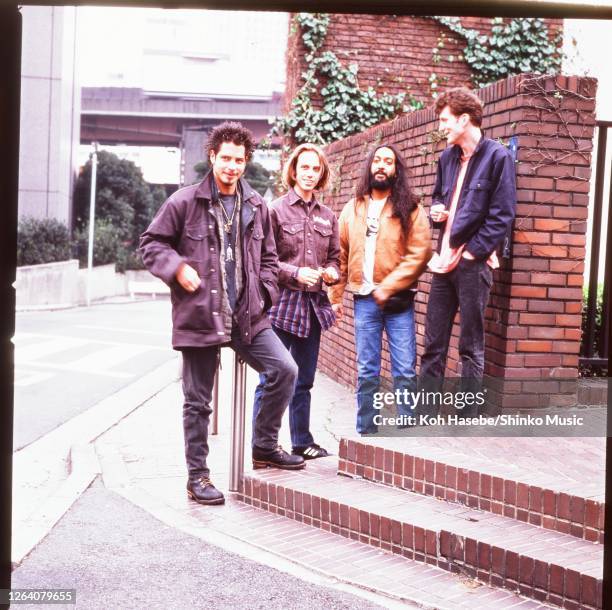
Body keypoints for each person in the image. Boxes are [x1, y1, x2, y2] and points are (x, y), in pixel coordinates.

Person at [140, 121, 304, 507]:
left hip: (248, 315)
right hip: (200, 315)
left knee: (285, 369)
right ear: (212, 156)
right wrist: (177, 268)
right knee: (198, 401)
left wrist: (265, 291)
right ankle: (197, 476)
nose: (232, 166)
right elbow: (151, 244)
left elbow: (269, 258)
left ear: (247, 162)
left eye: (239, 160)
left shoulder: (256, 205)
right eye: (225, 158)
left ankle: (264, 446)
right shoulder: (184, 201)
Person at [420, 87, 516, 410]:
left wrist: (475, 251)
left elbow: (502, 214)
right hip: (444, 261)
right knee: (434, 342)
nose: (441, 127)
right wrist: (437, 211)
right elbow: (438, 196)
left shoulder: (497, 157)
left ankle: (467, 412)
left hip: (473, 263)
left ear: (464, 119)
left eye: (445, 120)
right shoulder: (447, 158)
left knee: (469, 344)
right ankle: (426, 410)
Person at [328, 144, 431, 435]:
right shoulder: (353, 207)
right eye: (378, 160)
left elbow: (420, 252)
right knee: (367, 369)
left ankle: (407, 426)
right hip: (364, 300)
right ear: (370, 166)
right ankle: (366, 428)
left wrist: (389, 286)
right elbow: (341, 255)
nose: (382, 166)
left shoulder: (410, 206)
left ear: (396, 169)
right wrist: (335, 298)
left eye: (388, 161)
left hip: (399, 301)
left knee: (404, 367)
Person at [252, 143, 340, 460]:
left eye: (315, 169)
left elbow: (335, 260)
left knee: (304, 380)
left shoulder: (329, 216)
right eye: (304, 167)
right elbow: (266, 261)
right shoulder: (274, 210)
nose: (309, 173)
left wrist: (330, 273)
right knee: (272, 377)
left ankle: (302, 441)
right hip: (280, 306)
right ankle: (263, 445)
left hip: (312, 308)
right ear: (293, 171)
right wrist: (296, 273)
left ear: (321, 175)